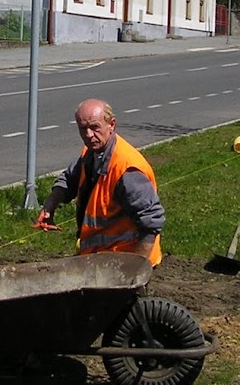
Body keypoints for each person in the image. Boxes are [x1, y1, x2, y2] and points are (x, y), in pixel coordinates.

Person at [37, 99, 164, 265]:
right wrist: (50, 205)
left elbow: (151, 221)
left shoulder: (126, 170)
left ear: (111, 125)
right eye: (83, 129)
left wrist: (136, 271)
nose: (89, 135)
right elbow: (70, 179)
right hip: (100, 259)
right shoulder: (91, 153)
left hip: (126, 260)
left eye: (94, 127)